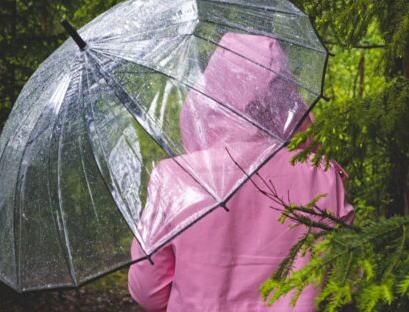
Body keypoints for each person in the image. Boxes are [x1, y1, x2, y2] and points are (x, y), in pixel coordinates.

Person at [127, 33, 353, 311]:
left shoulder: (175, 179)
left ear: (213, 90)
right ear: (286, 93)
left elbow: (147, 291)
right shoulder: (321, 174)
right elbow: (342, 276)